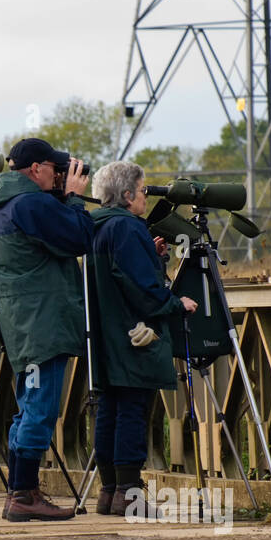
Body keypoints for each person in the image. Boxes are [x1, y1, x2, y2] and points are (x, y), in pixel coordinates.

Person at [0, 136, 93, 522]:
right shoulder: (31, 202)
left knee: (27, 408)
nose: (62, 176)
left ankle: (21, 491)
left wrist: (61, 201)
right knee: (41, 409)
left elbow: (50, 238)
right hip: (42, 323)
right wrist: (76, 198)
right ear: (36, 169)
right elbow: (79, 238)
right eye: (56, 169)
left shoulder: (5, 201)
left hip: (23, 322)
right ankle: (23, 495)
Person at [90, 161, 197, 519]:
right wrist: (174, 303)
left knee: (110, 409)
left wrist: (151, 255)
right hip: (136, 335)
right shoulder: (127, 227)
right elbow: (140, 285)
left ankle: (108, 492)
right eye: (143, 189)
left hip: (106, 335)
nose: (146, 195)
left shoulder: (98, 226)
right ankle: (129, 493)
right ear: (126, 194)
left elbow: (117, 273)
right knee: (134, 410)